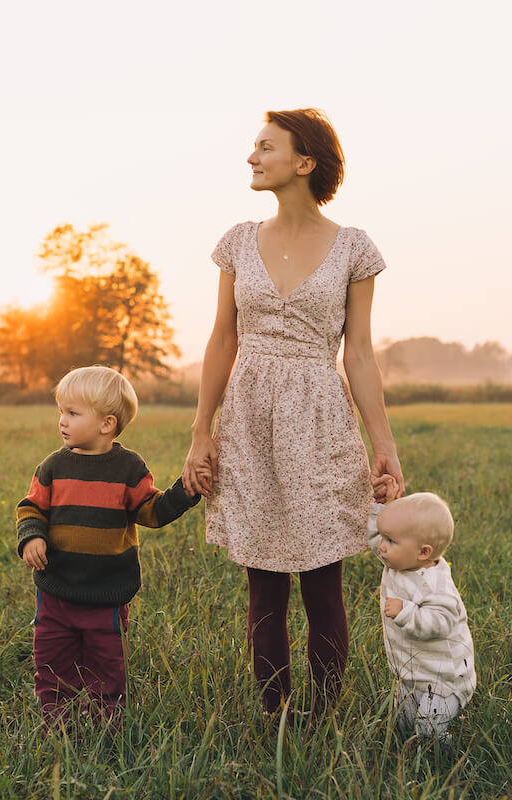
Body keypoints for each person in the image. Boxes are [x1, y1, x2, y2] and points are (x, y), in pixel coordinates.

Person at [182, 108, 405, 719]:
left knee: (322, 578)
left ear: (304, 162)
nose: (251, 157)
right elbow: (222, 340)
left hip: (319, 418)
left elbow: (358, 353)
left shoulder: (354, 249)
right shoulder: (236, 242)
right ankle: (276, 716)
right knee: (265, 582)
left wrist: (383, 444)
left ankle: (326, 717)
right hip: (249, 417)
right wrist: (202, 430)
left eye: (264, 147)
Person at [17, 365, 202, 726]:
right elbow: (31, 507)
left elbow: (151, 510)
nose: (62, 421)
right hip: (56, 588)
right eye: (61, 412)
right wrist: (32, 536)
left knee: (107, 660)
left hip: (107, 592)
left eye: (72, 413)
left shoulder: (128, 468)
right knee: (52, 656)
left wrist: (185, 492)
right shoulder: (52, 466)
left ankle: (107, 718)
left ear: (107, 423)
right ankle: (59, 719)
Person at [367, 486, 476, 740]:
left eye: (390, 540)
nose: (382, 547)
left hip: (443, 681)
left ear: (423, 552)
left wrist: (406, 612)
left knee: (429, 731)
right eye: (385, 537)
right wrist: (385, 508)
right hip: (410, 673)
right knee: (403, 725)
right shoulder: (399, 559)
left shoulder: (437, 585)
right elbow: (377, 538)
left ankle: (448, 759)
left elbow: (440, 623)